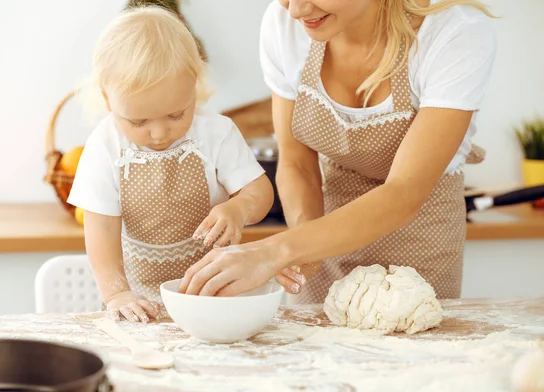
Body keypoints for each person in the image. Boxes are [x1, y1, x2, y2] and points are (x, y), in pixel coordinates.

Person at [179, 0, 496, 302]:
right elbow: (297, 163)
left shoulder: (453, 30)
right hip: (317, 231)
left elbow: (404, 192)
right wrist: (304, 248)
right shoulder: (285, 26)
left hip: (421, 237)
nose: (297, 10)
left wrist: (275, 251)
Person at [68, 6, 273, 322]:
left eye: (176, 115)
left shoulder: (216, 133)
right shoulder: (104, 146)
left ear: (194, 84)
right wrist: (116, 294)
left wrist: (239, 208)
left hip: (214, 295)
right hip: (138, 304)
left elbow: (259, 192)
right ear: (108, 99)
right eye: (138, 121)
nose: (159, 133)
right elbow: (102, 228)